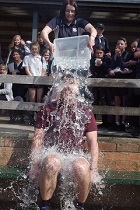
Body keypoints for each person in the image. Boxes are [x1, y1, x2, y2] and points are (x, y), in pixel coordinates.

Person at [29, 73, 99, 210]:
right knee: (52, 162)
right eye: (64, 83)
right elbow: (37, 138)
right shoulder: (47, 109)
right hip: (52, 152)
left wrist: (94, 169)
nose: (67, 87)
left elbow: (93, 143)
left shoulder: (85, 112)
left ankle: (80, 206)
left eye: (72, 83)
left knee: (81, 167)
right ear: (58, 87)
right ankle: (45, 205)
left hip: (75, 154)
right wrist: (35, 165)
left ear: (78, 87)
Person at [90, 45, 112, 128]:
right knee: (94, 101)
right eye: (97, 53)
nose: (99, 54)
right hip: (95, 83)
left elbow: (108, 70)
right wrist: (95, 65)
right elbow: (92, 70)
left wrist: (102, 64)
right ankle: (93, 122)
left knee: (105, 101)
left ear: (103, 53)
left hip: (104, 83)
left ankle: (106, 122)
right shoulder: (92, 60)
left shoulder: (107, 59)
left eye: (100, 53)